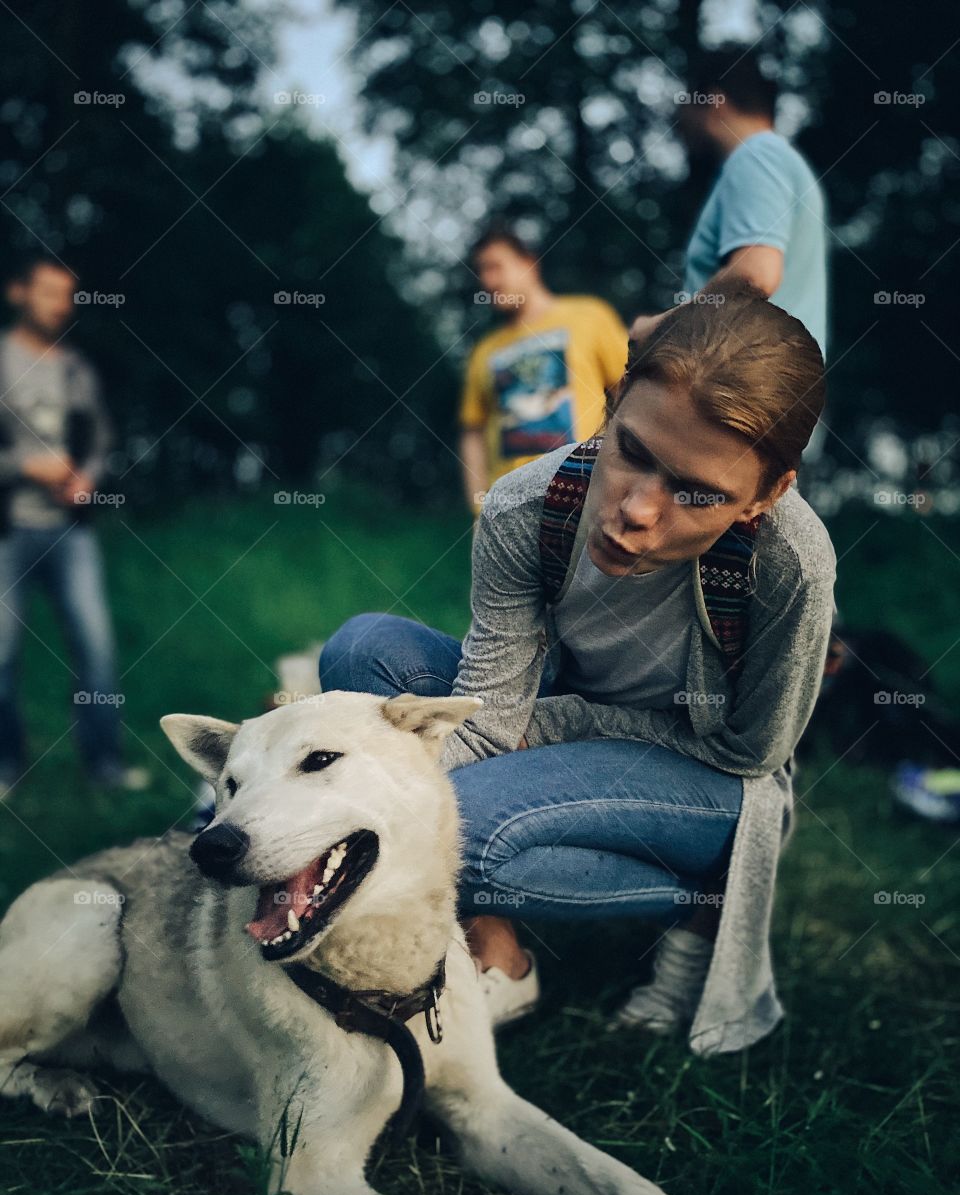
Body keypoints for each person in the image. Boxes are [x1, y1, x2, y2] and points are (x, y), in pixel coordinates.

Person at [320, 282, 836, 1057]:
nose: (636, 509)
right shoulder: (525, 508)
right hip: (545, 724)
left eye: (699, 494)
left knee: (467, 828)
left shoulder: (789, 566)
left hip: (709, 778)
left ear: (766, 494)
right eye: (632, 452)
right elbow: (493, 715)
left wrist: (560, 725)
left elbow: (752, 752)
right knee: (361, 654)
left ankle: (702, 907)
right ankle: (499, 953)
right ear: (615, 397)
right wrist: (323, 805)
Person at [0, 254, 142, 795]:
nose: (61, 305)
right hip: (8, 530)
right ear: (19, 293)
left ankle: (105, 767)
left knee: (97, 649)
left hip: (71, 531)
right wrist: (23, 466)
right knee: (2, 654)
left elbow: (101, 441)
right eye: (49, 292)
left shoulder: (77, 369)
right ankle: (6, 765)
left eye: (67, 295)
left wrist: (86, 477)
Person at [632, 48, 828, 411]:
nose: (679, 118)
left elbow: (756, 273)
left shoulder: (755, 157)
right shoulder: (779, 161)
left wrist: (659, 328)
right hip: (768, 400)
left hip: (739, 400)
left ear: (714, 101)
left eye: (686, 104)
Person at [459, 225, 629, 516]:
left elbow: (631, 392)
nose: (488, 281)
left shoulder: (589, 315)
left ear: (529, 264)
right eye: (481, 272)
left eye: (496, 267)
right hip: (507, 508)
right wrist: (481, 507)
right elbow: (473, 430)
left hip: (583, 499)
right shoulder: (484, 350)